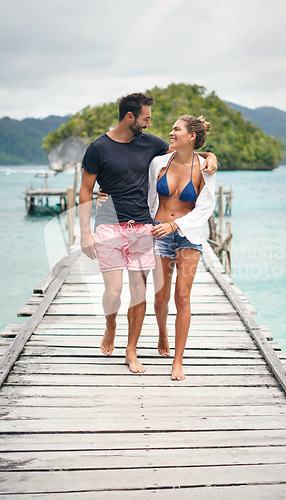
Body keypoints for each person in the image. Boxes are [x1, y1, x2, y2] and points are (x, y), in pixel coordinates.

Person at [79, 93, 217, 374]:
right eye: (146, 118)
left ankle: (143, 353)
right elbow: (88, 189)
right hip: (129, 226)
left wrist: (211, 156)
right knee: (128, 294)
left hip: (163, 230)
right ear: (130, 117)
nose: (151, 124)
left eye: (150, 120)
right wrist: (89, 221)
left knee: (157, 293)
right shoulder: (107, 150)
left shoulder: (158, 148)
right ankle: (115, 326)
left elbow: (189, 160)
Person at [148, 115, 216, 380]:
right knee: (160, 297)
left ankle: (178, 360)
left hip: (188, 236)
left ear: (192, 137)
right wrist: (105, 193)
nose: (171, 132)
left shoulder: (205, 168)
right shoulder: (158, 163)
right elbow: (138, 187)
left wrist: (175, 226)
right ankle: (163, 333)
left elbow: (205, 207)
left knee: (183, 297)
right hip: (158, 234)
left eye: (176, 129)